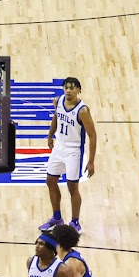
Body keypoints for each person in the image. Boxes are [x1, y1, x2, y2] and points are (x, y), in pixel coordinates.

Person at [39, 77, 97, 233]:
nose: (69, 91)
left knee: (72, 187)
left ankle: (75, 222)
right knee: (50, 181)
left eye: (72, 88)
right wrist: (50, 135)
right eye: (66, 87)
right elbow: (56, 118)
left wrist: (91, 161)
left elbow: (92, 135)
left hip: (73, 150)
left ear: (78, 89)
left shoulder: (82, 110)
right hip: (59, 146)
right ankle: (56, 217)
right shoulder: (58, 101)